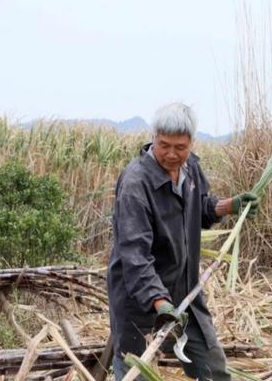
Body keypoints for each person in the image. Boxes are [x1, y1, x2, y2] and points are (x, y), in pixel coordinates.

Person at [107, 103, 258, 380]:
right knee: (134, 370)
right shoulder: (135, 184)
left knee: (213, 370)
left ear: (191, 142)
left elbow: (197, 207)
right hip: (139, 295)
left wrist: (228, 206)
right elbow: (135, 255)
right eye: (164, 145)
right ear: (154, 137)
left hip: (185, 291)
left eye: (180, 147)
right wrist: (159, 301)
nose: (172, 155)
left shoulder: (191, 169)